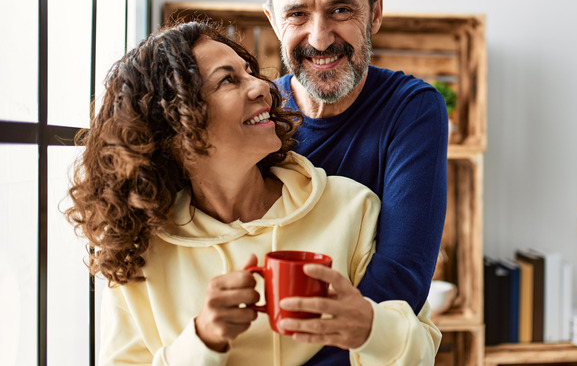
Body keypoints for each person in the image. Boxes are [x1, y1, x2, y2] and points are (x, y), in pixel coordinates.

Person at [64, 21, 440, 365]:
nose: (263, 86)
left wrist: (369, 329)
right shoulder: (142, 252)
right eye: (228, 80)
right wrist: (201, 340)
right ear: (175, 126)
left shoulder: (348, 207)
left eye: (249, 72)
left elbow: (422, 349)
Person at [262, 0, 449, 362]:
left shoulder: (413, 110)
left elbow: (399, 282)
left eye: (340, 9)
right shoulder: (255, 114)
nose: (321, 37)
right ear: (273, 20)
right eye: (297, 14)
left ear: (376, 12)